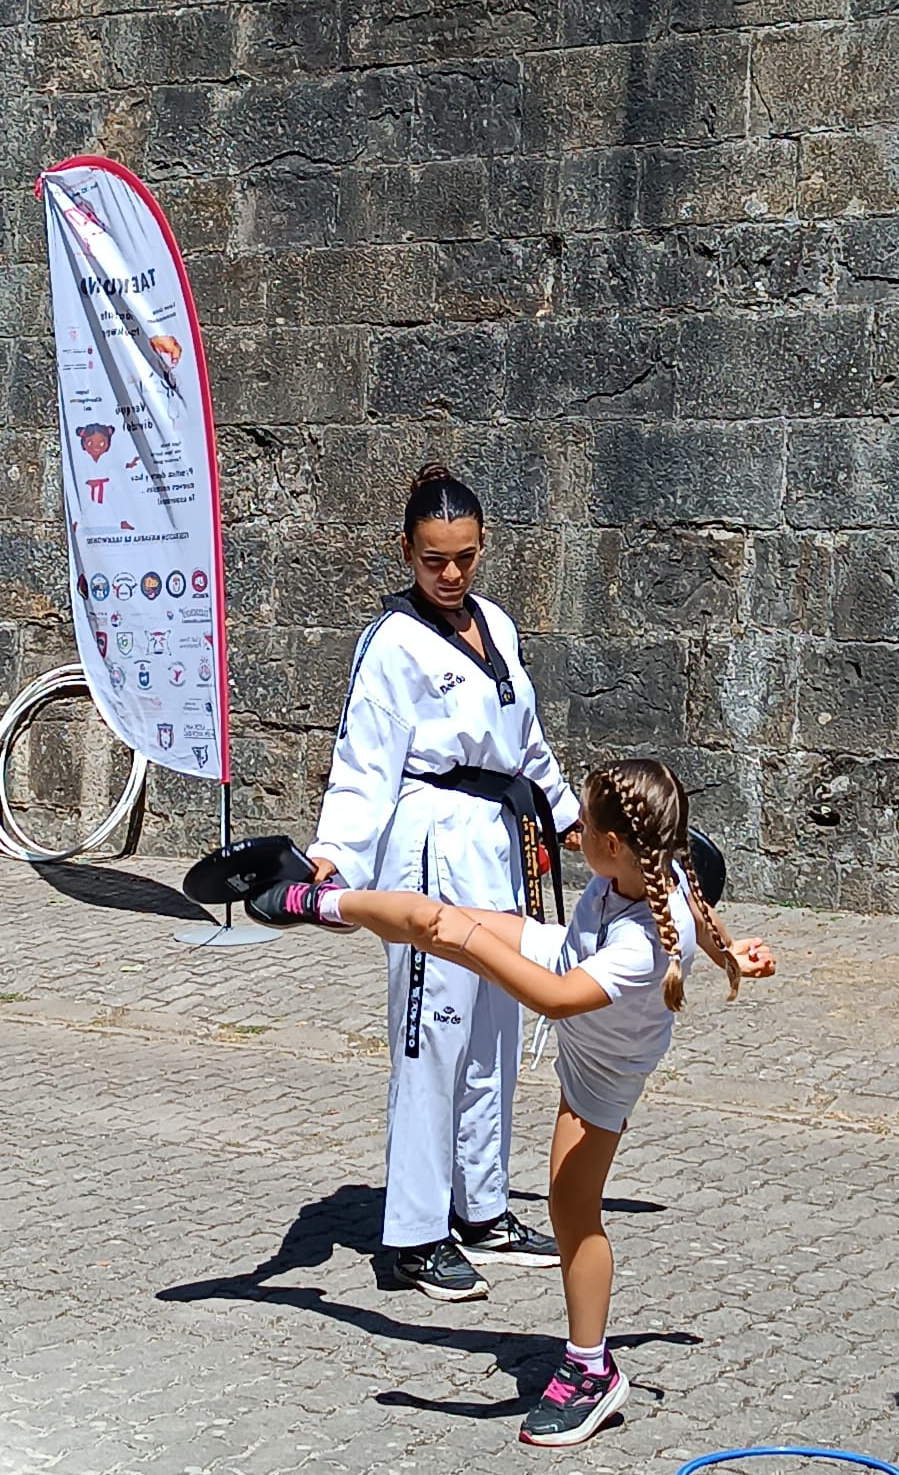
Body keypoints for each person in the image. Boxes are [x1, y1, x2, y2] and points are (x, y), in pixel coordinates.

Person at [253, 756, 777, 1447]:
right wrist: (732, 953)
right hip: (570, 955)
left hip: (602, 1072)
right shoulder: (652, 867)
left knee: (573, 1214)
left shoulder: (641, 942)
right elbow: (699, 915)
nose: (574, 830)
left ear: (612, 844)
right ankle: (313, 902)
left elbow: (554, 1000)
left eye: (583, 823)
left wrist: (472, 943)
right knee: (432, 916)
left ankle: (591, 1372)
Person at [279, 464, 582, 1303]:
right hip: (427, 843)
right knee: (430, 1040)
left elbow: (527, 740)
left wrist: (565, 815)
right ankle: (414, 1235)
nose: (450, 574)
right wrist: (334, 857)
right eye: (433, 559)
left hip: (496, 840)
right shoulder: (391, 644)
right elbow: (362, 759)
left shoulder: (499, 625)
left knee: (493, 1034)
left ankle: (481, 1208)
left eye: (465, 557)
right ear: (406, 552)